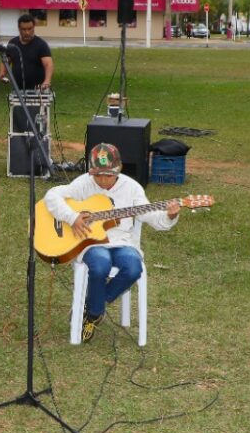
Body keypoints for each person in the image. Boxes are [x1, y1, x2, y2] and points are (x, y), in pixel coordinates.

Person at [43, 143, 181, 342]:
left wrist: (169, 216)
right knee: (100, 265)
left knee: (133, 267)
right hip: (91, 243)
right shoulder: (83, 183)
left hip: (123, 242)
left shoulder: (132, 188)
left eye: (108, 175)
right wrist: (72, 217)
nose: (102, 180)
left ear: (119, 170)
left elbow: (152, 217)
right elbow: (52, 196)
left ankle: (92, 309)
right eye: (97, 175)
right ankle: (94, 312)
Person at [0, 14, 53, 90]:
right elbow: (5, 60)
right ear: (19, 29)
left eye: (29, 29)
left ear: (34, 27)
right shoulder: (12, 43)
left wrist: (47, 81)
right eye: (23, 29)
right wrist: (2, 73)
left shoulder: (41, 45)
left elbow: (48, 64)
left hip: (38, 90)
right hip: (17, 90)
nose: (27, 32)